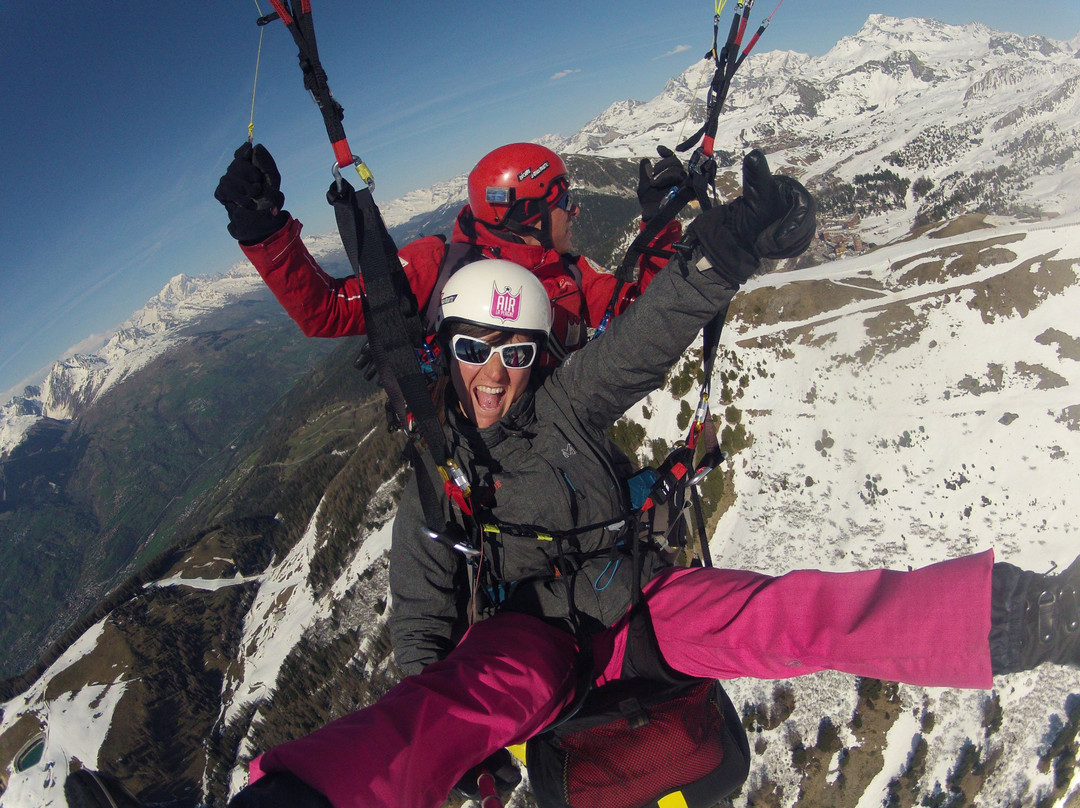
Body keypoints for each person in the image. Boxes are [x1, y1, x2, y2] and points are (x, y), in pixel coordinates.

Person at [229, 152, 1080, 808]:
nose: (493, 374)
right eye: (473, 350)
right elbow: (426, 634)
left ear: (541, 355)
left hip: (636, 602)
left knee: (791, 612)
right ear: (441, 350)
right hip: (529, 643)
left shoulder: (563, 402)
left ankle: (1033, 617)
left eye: (515, 352)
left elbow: (644, 335)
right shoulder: (439, 473)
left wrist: (725, 247)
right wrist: (462, 745)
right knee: (447, 709)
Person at [214, 141, 687, 364]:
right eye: (563, 201)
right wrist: (265, 230)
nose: (575, 210)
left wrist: (661, 228)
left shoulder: (573, 275)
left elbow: (642, 312)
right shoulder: (437, 266)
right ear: (525, 213)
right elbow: (327, 312)